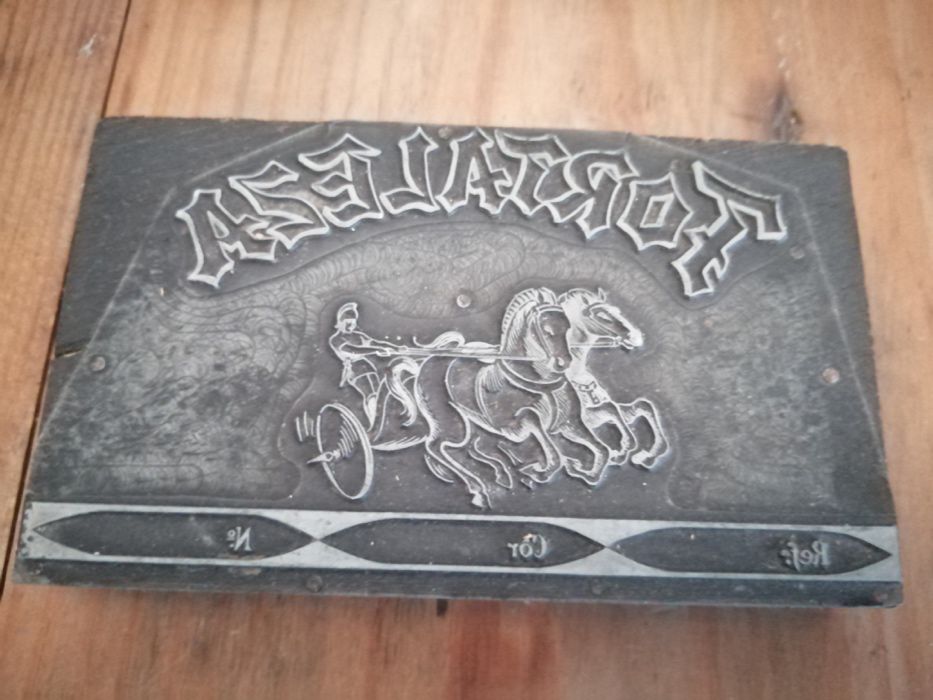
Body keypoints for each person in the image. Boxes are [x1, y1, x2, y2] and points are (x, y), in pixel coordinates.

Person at [328, 303, 403, 429]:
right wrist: (377, 350)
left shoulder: (358, 336)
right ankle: (374, 425)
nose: (350, 326)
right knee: (370, 395)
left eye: (352, 323)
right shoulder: (336, 339)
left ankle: (380, 423)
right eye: (347, 322)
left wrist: (395, 348)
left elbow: (375, 343)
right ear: (339, 322)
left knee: (378, 395)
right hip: (355, 370)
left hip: (367, 368)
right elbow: (353, 350)